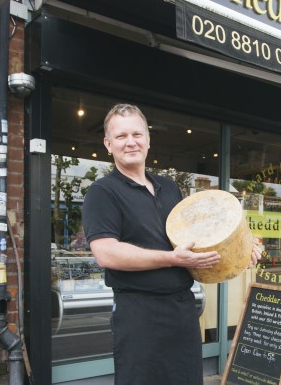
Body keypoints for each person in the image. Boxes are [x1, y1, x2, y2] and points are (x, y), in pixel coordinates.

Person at [83, 103, 258, 384]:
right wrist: (172, 259)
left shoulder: (169, 187)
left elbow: (197, 239)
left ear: (148, 140)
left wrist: (242, 248)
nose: (130, 142)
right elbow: (106, 253)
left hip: (182, 311)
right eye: (121, 136)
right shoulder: (102, 192)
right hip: (139, 314)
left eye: (137, 134)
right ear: (108, 144)